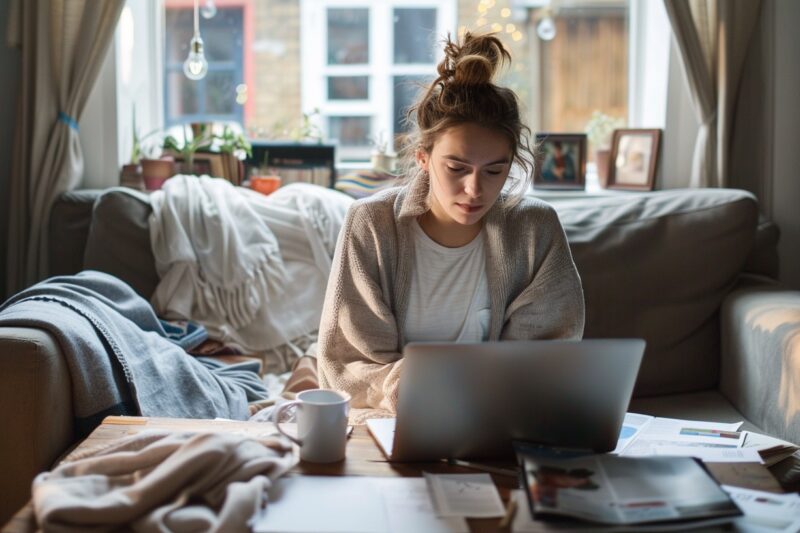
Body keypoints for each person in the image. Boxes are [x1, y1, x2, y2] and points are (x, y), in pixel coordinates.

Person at [317, 31, 585, 422]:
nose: (475, 189)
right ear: (423, 158)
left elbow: (548, 358)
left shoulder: (535, 228)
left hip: (497, 422)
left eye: (495, 170)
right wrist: (424, 392)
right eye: (456, 168)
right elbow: (347, 366)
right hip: (394, 420)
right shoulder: (372, 223)